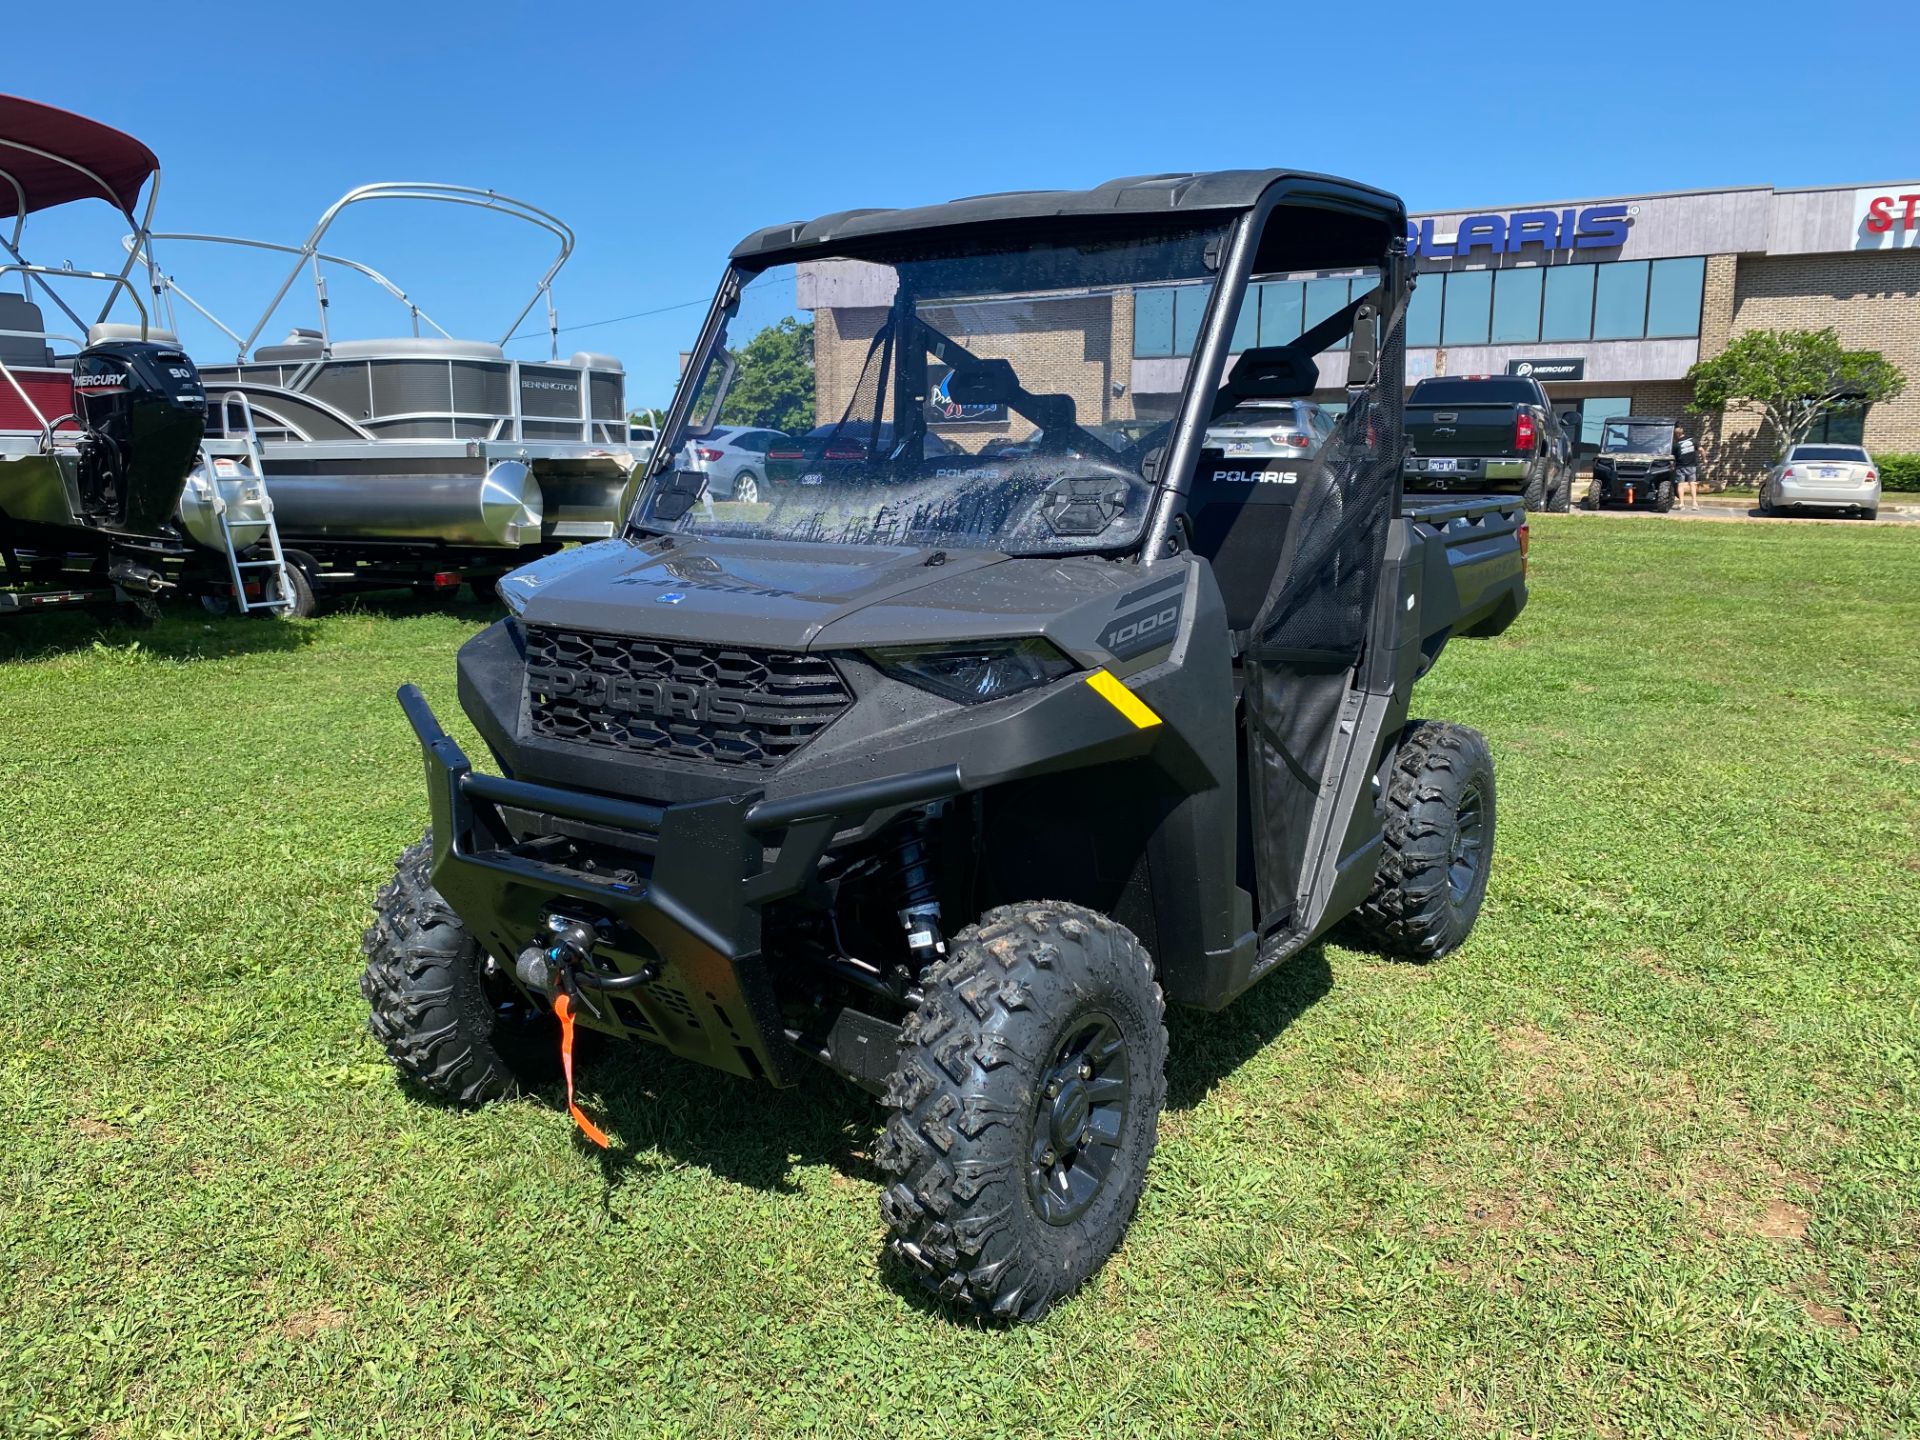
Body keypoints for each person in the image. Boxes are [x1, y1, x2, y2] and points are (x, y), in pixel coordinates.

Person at [1673, 422, 1703, 511]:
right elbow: (1701, 450)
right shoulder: (1693, 440)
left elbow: (1673, 457)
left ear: (1677, 434)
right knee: (1692, 484)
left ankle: (1681, 504)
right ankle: (1695, 504)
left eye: (1675, 435)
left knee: (1680, 485)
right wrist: (1704, 459)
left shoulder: (1676, 444)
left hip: (1680, 467)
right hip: (1692, 466)